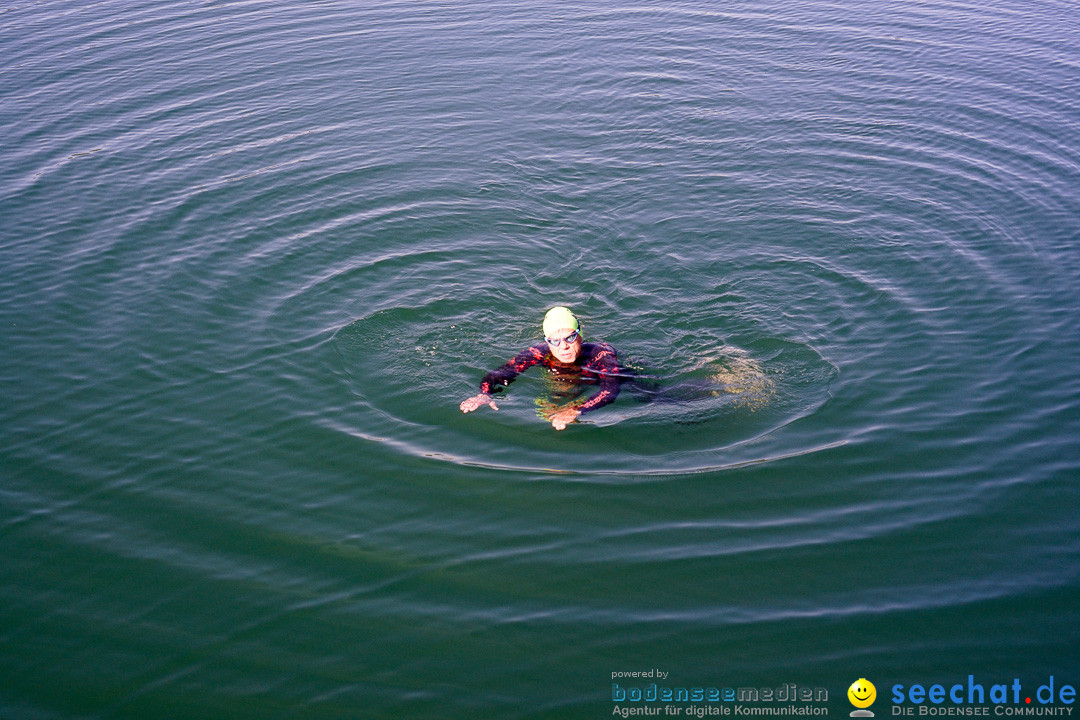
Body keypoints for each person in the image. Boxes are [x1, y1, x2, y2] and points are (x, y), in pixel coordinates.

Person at [460, 306, 625, 430]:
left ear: (580, 336)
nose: (564, 346)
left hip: (590, 384)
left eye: (570, 337)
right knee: (548, 415)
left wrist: (576, 410)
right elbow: (500, 374)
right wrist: (484, 394)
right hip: (559, 389)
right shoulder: (538, 353)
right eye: (555, 341)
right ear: (547, 342)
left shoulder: (600, 354)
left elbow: (610, 389)